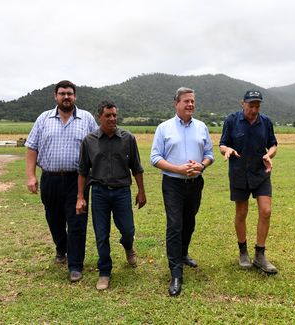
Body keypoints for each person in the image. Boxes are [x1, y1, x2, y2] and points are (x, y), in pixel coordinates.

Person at [25, 80, 98, 282]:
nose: (66, 97)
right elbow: (32, 148)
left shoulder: (87, 119)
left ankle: (75, 265)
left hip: (78, 180)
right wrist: (31, 176)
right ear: (55, 96)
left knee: (77, 221)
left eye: (70, 93)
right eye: (62, 93)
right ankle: (61, 248)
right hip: (50, 179)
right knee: (53, 218)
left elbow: (96, 147)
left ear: (75, 96)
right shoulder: (43, 119)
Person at [76, 100, 146, 291]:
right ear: (99, 117)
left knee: (128, 229)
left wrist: (141, 191)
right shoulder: (89, 141)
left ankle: (128, 246)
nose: (112, 118)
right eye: (108, 115)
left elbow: (137, 168)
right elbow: (82, 171)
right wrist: (80, 197)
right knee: (101, 234)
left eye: (114, 115)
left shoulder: (128, 138)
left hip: (122, 191)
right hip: (99, 192)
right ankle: (104, 272)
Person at [150, 87, 214, 297]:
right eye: (186, 101)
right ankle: (176, 272)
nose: (190, 105)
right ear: (176, 103)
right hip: (173, 184)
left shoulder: (202, 127)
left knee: (189, 222)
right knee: (175, 225)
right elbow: (155, 158)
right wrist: (177, 168)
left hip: (195, 183)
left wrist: (201, 166)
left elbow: (209, 154)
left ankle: (183, 252)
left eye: (193, 101)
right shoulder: (164, 128)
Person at [219, 90, 279, 274]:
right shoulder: (232, 120)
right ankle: (243, 251)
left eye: (257, 106)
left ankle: (260, 255)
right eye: (251, 105)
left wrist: (268, 155)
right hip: (239, 173)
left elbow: (273, 144)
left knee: (266, 211)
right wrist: (227, 150)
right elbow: (222, 144)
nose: (254, 109)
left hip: (260, 172)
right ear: (242, 103)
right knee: (241, 212)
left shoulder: (265, 122)